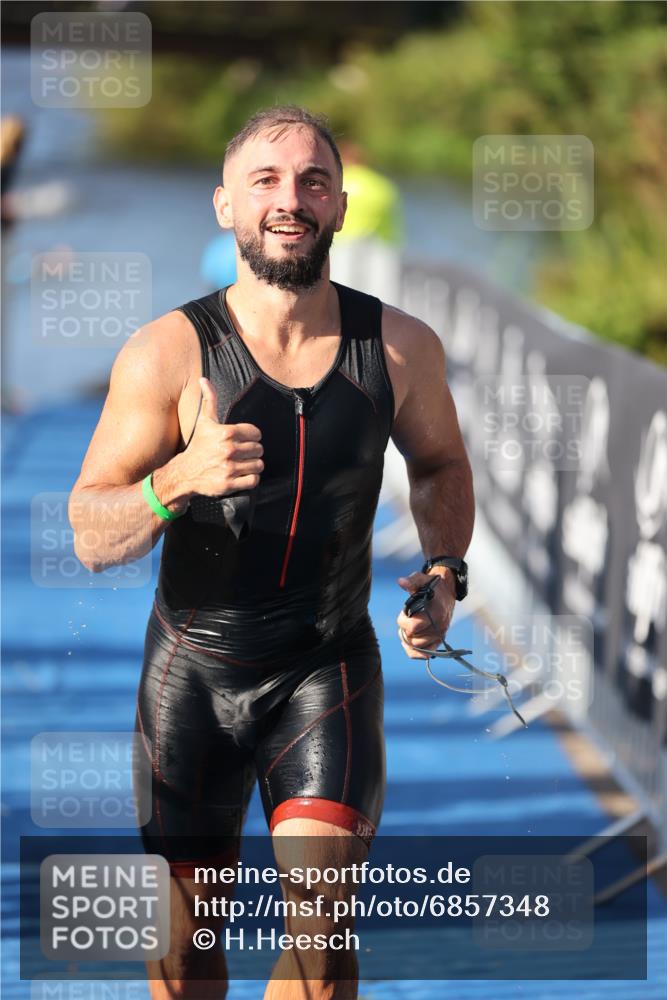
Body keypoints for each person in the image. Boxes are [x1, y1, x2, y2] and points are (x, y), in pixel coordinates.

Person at [69, 105, 474, 1000]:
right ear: (224, 207)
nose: (289, 201)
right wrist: (177, 478)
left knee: (323, 950)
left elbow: (441, 464)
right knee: (184, 958)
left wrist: (445, 572)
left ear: (337, 205)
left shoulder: (399, 348)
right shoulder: (168, 353)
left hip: (324, 668)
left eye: (312, 182)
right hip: (193, 680)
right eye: (266, 182)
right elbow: (91, 534)